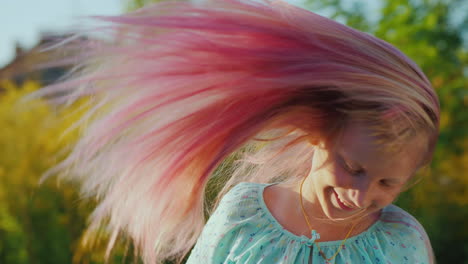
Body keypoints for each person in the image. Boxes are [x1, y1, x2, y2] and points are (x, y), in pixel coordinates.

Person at [29, 0, 439, 263]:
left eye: (388, 182)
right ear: (319, 132)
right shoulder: (244, 217)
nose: (362, 194)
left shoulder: (400, 244)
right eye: (353, 167)